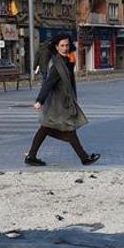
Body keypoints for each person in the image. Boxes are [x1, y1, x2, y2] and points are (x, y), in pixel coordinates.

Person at [25, 34, 99, 167]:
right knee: (68, 130)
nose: (65, 48)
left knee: (46, 129)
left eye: (67, 45)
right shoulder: (57, 65)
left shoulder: (66, 60)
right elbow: (47, 84)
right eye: (62, 46)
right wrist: (39, 100)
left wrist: (71, 59)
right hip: (57, 104)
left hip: (62, 102)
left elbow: (69, 75)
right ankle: (84, 158)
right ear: (56, 47)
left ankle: (31, 156)